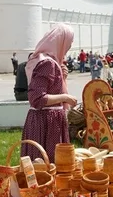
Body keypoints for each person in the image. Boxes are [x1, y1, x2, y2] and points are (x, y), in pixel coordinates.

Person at [22, 24, 77, 163]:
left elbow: (51, 88)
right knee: (46, 166)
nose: (69, 47)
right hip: (46, 122)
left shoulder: (47, 61)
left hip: (46, 121)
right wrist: (66, 98)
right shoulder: (47, 63)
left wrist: (63, 78)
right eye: (68, 43)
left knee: (43, 167)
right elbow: (37, 99)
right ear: (60, 41)